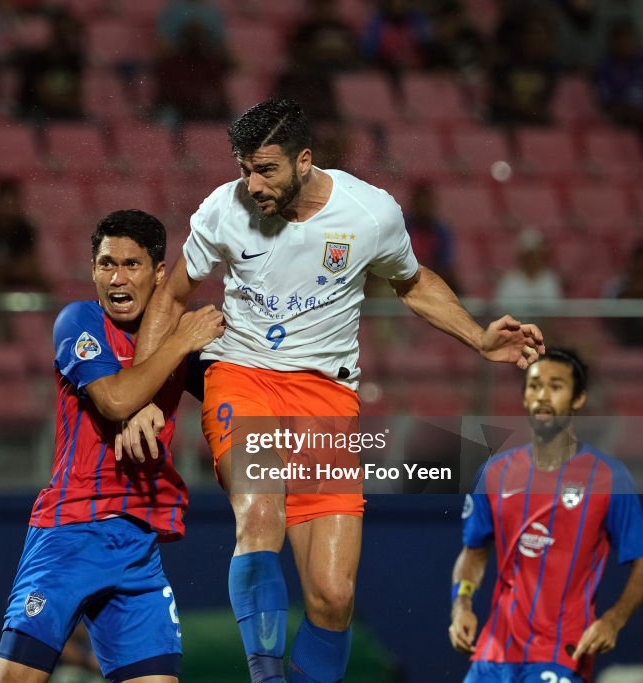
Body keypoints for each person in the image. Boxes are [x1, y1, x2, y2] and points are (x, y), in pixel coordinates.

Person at [128, 98, 544, 683]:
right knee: (261, 514)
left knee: (332, 596)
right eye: (244, 168)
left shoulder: (369, 214)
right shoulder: (223, 210)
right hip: (241, 375)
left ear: (304, 160)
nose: (252, 184)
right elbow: (171, 297)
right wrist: (144, 395)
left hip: (326, 401)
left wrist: (478, 337)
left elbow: (413, 281)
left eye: (266, 169)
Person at [0, 209, 225, 683]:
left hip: (138, 542)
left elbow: (233, 389)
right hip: (72, 530)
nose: (116, 278)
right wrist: (179, 344)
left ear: (159, 273)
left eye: (131, 265)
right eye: (105, 264)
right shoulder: (79, 321)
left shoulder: (177, 339)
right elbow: (115, 400)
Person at [449, 349, 643, 683]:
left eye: (556, 386)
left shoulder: (609, 478)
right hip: (494, 652)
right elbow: (474, 553)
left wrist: (614, 619)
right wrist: (462, 605)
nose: (542, 396)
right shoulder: (495, 472)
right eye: (535, 385)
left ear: (578, 398)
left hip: (561, 652)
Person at [494, 229, 564, 315]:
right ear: (522, 257)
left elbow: (554, 315)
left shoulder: (550, 280)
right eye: (530, 255)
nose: (533, 260)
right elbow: (500, 312)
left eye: (536, 255)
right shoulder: (509, 281)